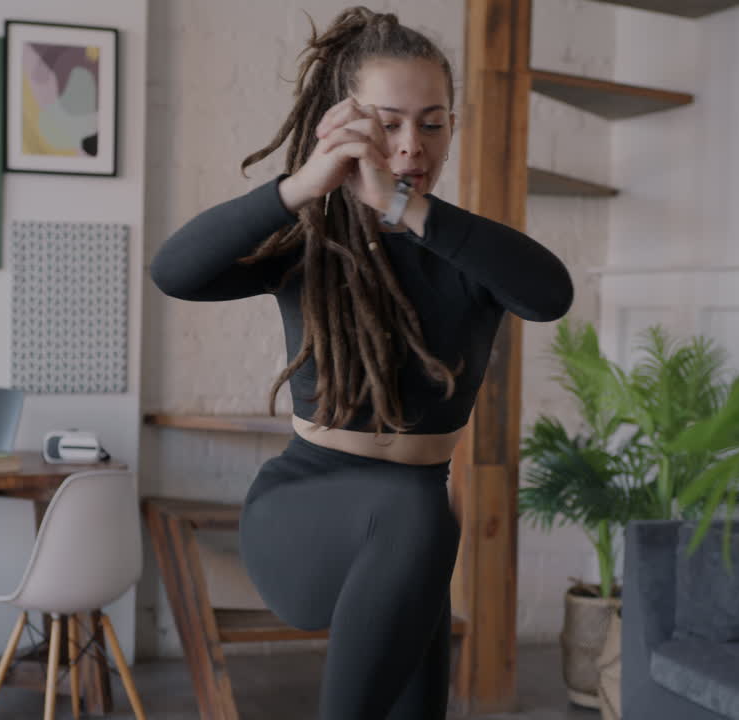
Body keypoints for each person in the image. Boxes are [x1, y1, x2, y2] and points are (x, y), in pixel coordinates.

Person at [150, 7, 573, 719]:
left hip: (408, 534)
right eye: (388, 122)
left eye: (432, 123)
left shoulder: (463, 251)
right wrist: (299, 188)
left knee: (420, 539)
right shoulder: (308, 244)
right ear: (345, 124)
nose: (411, 145)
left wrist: (407, 207)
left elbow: (550, 294)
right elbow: (174, 271)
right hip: (303, 514)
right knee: (417, 509)